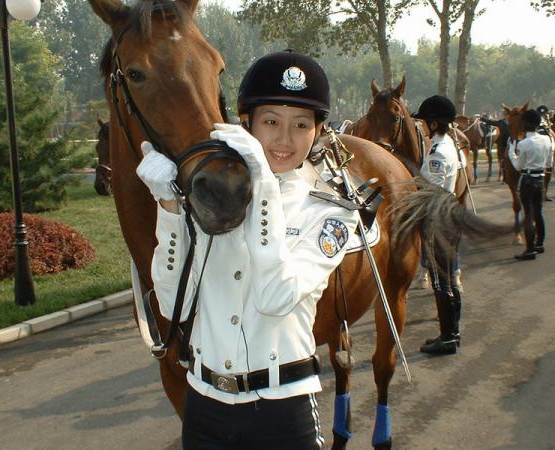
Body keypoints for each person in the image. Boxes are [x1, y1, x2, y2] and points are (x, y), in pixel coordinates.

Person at [136, 49, 360, 449]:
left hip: (282, 411)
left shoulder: (331, 214)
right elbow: (173, 305)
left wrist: (264, 186)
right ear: (247, 123)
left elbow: (275, 297)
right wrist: (169, 209)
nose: (284, 139)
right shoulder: (211, 197)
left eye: (301, 124)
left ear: (318, 130)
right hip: (204, 406)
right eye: (271, 121)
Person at [412, 95, 462, 356]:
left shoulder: (438, 152)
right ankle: (452, 331)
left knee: (441, 281)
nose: (420, 126)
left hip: (438, 215)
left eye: (423, 122)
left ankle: (448, 336)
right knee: (448, 277)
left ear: (432, 124)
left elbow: (427, 186)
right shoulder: (448, 144)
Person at [509, 109, 551, 260]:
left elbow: (518, 167)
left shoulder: (524, 143)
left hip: (527, 180)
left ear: (524, 124)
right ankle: (540, 243)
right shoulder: (547, 140)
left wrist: (510, 154)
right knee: (538, 212)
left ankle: (530, 249)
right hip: (540, 178)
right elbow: (549, 163)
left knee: (528, 214)